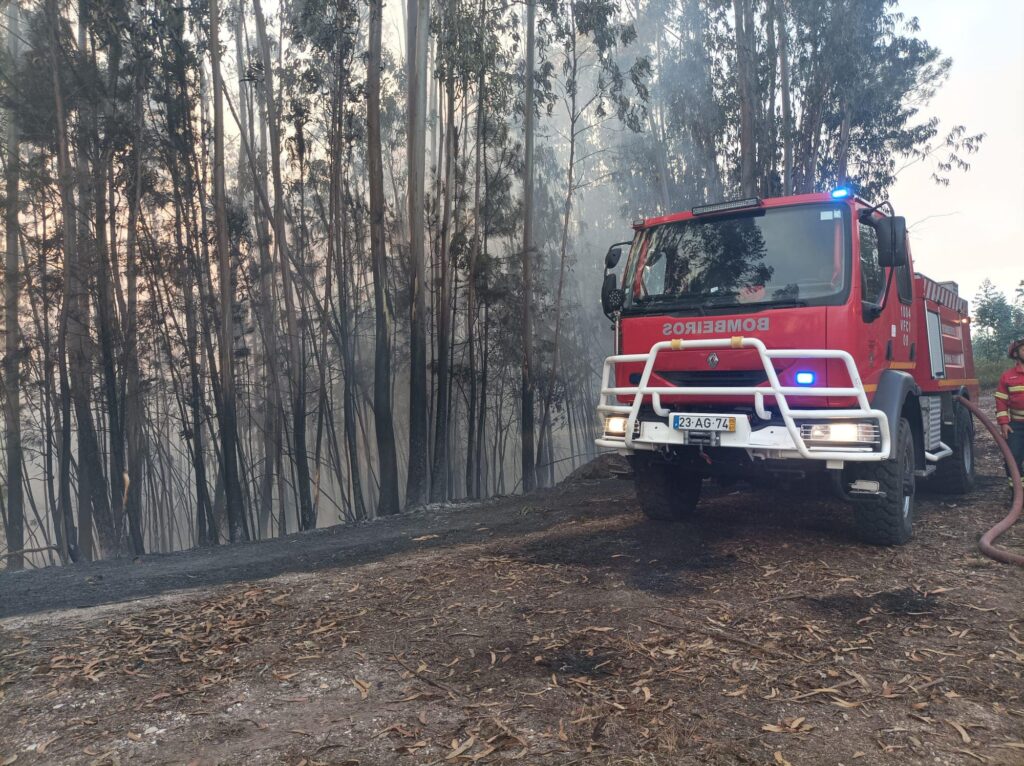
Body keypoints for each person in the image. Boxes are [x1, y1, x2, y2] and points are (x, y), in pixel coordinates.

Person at [995, 337, 1024, 490]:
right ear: (1016, 353)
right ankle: (1018, 492)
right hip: (1016, 426)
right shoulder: (1007, 376)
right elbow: (1001, 402)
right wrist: (1004, 423)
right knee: (1012, 459)